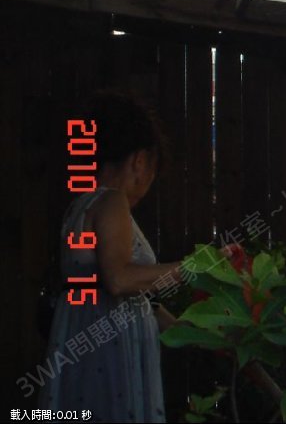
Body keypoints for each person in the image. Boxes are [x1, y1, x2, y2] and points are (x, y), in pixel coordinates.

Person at [40, 90, 186, 422]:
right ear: (139, 161)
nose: (147, 185)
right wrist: (193, 267)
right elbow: (119, 279)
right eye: (152, 172)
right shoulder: (111, 201)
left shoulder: (80, 206)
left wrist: (192, 332)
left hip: (84, 339)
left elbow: (135, 300)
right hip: (111, 353)